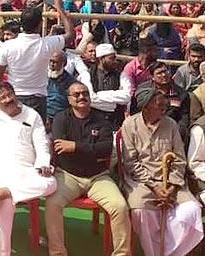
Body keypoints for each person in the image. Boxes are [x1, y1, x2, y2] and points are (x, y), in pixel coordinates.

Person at [45, 81, 131, 256]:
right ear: (69, 99)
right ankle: (57, 253)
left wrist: (76, 146)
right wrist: (91, 150)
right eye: (76, 94)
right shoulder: (61, 119)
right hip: (68, 175)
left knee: (120, 206)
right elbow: (61, 149)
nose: (81, 97)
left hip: (98, 177)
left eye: (85, 93)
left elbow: (106, 149)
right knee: (52, 205)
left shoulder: (102, 120)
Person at [0, 81, 57, 256]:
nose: (8, 99)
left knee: (51, 183)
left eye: (10, 94)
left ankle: (0, 193)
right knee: (5, 205)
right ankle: (3, 253)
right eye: (2, 97)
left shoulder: (32, 115)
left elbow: (42, 144)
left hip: (26, 170)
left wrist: (43, 163)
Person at [120, 85, 204, 256]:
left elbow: (179, 159)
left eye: (164, 103)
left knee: (191, 210)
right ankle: (153, 253)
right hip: (142, 183)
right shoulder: (130, 125)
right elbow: (131, 164)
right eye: (160, 105)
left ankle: (173, 252)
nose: (165, 107)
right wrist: (156, 188)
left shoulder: (171, 124)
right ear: (146, 107)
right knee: (140, 211)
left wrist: (171, 187)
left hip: (172, 183)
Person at [0, 0, 74, 121]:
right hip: (38, 99)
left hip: (14, 97)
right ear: (40, 24)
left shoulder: (7, 46)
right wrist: (60, 9)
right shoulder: (47, 44)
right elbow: (70, 34)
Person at [132, 61, 190, 142]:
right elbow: (135, 111)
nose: (164, 75)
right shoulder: (143, 90)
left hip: (171, 131)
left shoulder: (182, 94)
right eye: (159, 73)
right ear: (152, 77)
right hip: (146, 129)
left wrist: (176, 134)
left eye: (165, 71)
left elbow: (184, 119)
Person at [83, 43, 132, 131]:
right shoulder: (87, 75)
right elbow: (90, 99)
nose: (115, 61)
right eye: (111, 58)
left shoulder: (121, 75)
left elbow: (127, 97)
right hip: (93, 122)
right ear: (101, 59)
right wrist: (113, 104)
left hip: (115, 122)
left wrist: (98, 95)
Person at [46, 50, 75, 125]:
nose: (52, 64)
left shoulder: (70, 82)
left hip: (61, 118)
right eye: (51, 61)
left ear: (64, 64)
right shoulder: (41, 77)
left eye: (55, 62)